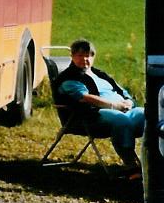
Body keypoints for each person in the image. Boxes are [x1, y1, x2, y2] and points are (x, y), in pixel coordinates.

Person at [54, 38, 145, 178]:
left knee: (150, 116)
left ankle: (154, 162)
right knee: (121, 121)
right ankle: (131, 166)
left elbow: (121, 90)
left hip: (125, 110)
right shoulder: (69, 78)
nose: (85, 59)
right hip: (91, 117)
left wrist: (128, 102)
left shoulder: (100, 74)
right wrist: (115, 105)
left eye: (88, 55)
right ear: (72, 56)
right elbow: (85, 97)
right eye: (80, 55)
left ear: (93, 57)